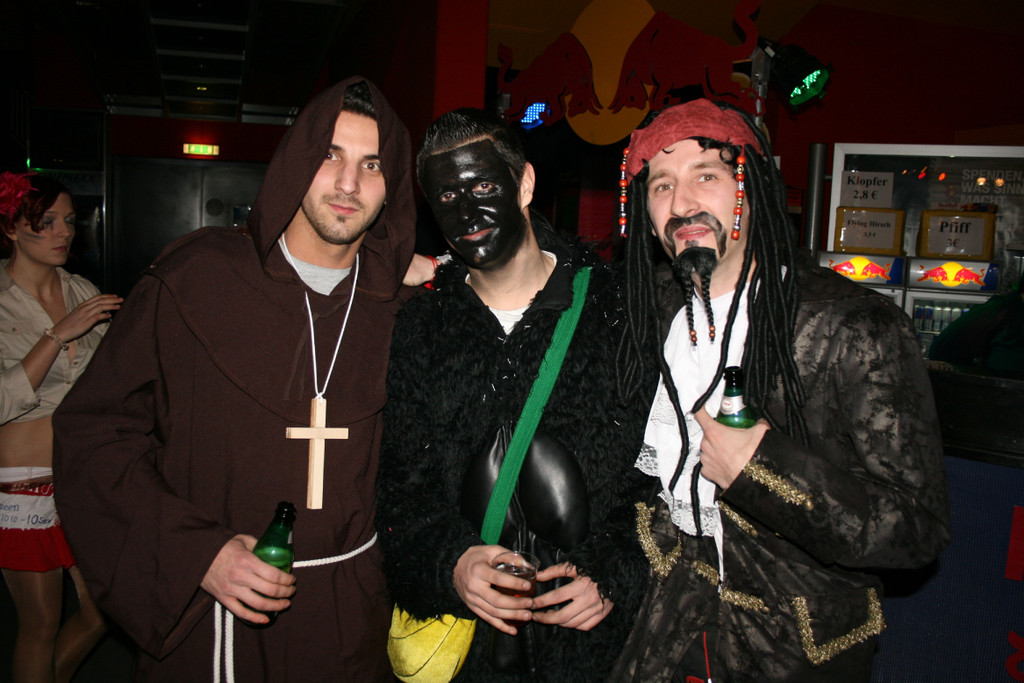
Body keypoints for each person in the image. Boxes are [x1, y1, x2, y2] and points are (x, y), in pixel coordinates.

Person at [51, 77, 415, 681]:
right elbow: (94, 434)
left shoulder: (404, 311)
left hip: (350, 618)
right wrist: (197, 552)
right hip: (216, 618)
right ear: (296, 161)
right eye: (330, 155)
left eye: (371, 164)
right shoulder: (195, 280)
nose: (349, 184)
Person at [609, 99, 952, 682]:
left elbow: (918, 529)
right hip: (663, 630)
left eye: (707, 176)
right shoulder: (647, 310)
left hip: (792, 652)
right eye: (661, 185)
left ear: (754, 191)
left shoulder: (853, 325)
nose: (682, 204)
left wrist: (764, 471)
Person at [376, 108, 658, 681]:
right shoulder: (422, 329)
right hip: (472, 654)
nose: (466, 213)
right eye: (447, 196)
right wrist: (451, 564)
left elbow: (656, 479)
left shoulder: (617, 312)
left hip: (595, 652)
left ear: (524, 183)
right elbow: (401, 489)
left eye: (483, 187)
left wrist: (611, 572)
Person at [0, 172, 120, 683]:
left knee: (105, 609)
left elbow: (113, 382)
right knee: (41, 624)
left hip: (82, 476)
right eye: (46, 222)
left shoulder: (81, 290)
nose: (64, 232)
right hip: (22, 482)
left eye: (69, 221)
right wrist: (56, 335)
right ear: (11, 228)